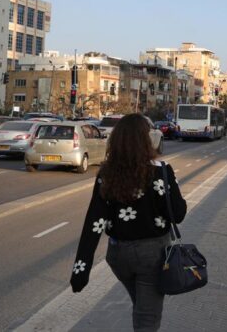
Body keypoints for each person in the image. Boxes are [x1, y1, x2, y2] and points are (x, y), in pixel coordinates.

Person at [70, 113, 187, 331]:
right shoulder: (160, 171)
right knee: (147, 318)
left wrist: (81, 268)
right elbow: (177, 214)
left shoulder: (107, 173)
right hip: (152, 255)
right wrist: (166, 189)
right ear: (146, 140)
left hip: (118, 255)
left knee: (142, 305)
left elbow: (94, 220)